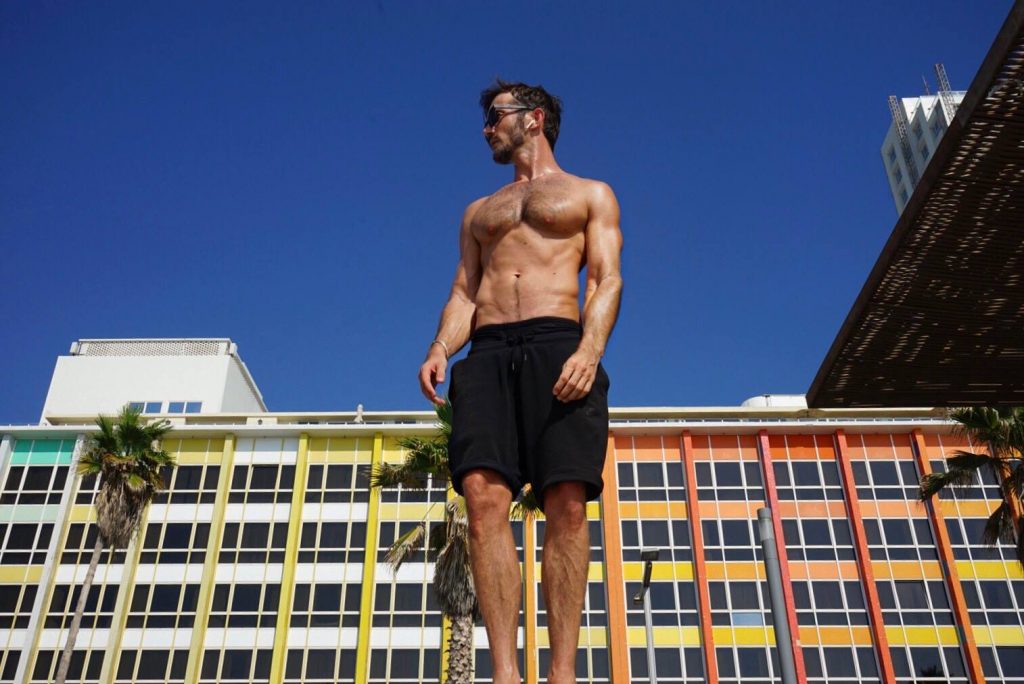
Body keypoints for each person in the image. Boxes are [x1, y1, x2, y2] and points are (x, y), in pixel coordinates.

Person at [418, 79, 623, 684]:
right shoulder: (478, 212)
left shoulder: (590, 193)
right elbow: (464, 292)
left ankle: (561, 673)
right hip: (486, 352)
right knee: (482, 499)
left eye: (495, 115)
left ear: (533, 118)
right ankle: (505, 673)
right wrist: (440, 346)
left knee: (566, 502)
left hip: (559, 343)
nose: (487, 128)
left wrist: (590, 349)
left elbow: (606, 278)